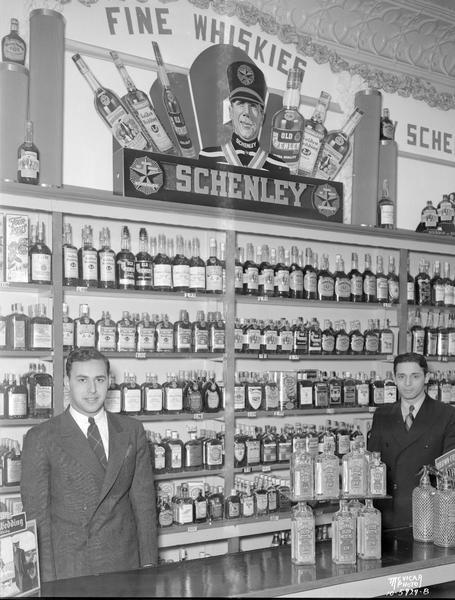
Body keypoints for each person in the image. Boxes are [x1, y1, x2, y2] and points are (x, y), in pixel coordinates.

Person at [21, 348, 157, 582]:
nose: (92, 390)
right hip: (72, 569)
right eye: (82, 380)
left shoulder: (132, 430)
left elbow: (144, 507)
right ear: (67, 382)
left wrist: (149, 566)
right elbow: (37, 520)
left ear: (109, 382)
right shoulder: (41, 437)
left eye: (99, 380)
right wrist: (47, 582)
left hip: (124, 564)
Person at [368, 352, 455, 529]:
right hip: (386, 515)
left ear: (427, 377)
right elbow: (372, 463)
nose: (407, 384)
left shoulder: (446, 414)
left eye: (415, 376)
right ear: (394, 378)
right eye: (401, 376)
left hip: (427, 514)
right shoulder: (382, 414)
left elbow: (449, 472)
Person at [199, 60, 289, 174]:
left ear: (262, 117)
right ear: (231, 112)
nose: (247, 112)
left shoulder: (279, 167)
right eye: (241, 104)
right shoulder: (208, 157)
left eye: (253, 106)